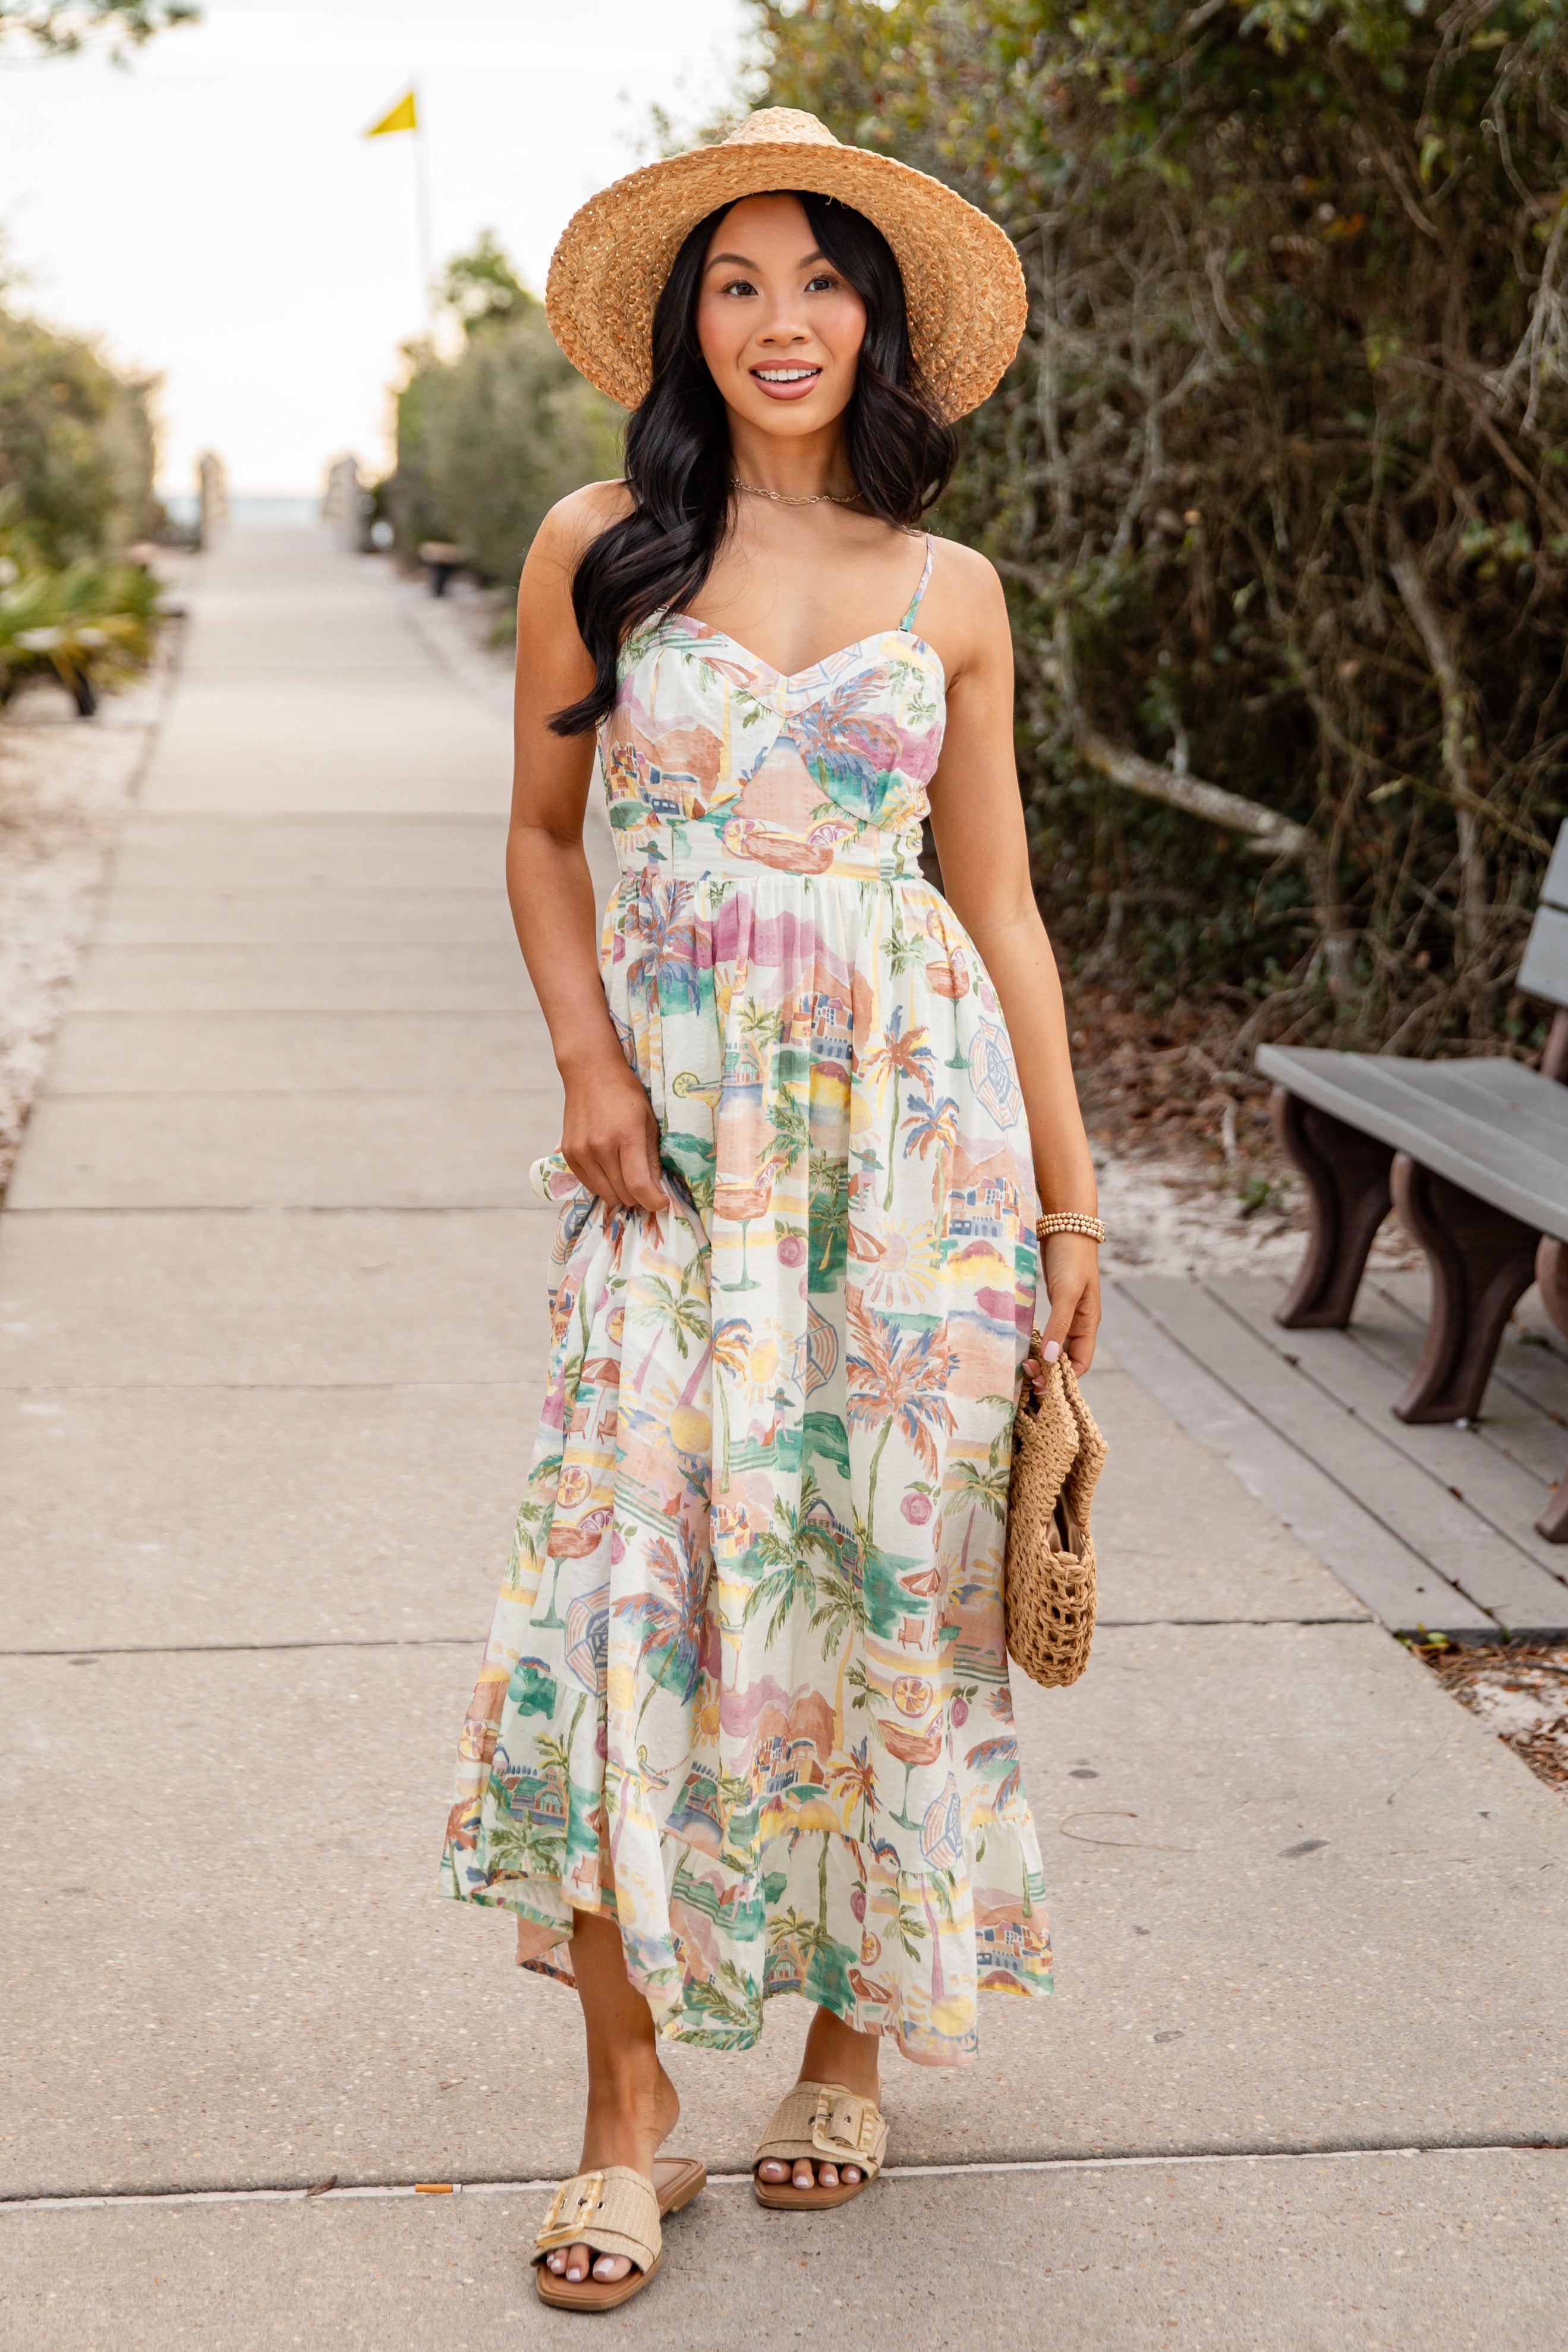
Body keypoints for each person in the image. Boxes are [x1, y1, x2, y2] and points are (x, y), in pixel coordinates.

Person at [439, 106, 1103, 2311]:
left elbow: (995, 904)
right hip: (678, 1149)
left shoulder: (957, 593)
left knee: (884, 1576)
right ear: (685, 321)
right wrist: (588, 1061)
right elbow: (545, 839)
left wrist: (1075, 1215)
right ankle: (629, 2106)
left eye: (822, 282)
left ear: (880, 320)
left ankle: (848, 2036)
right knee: (632, 1565)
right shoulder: (597, 542)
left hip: (920, 1170)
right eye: (740, 282)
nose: (784, 320)